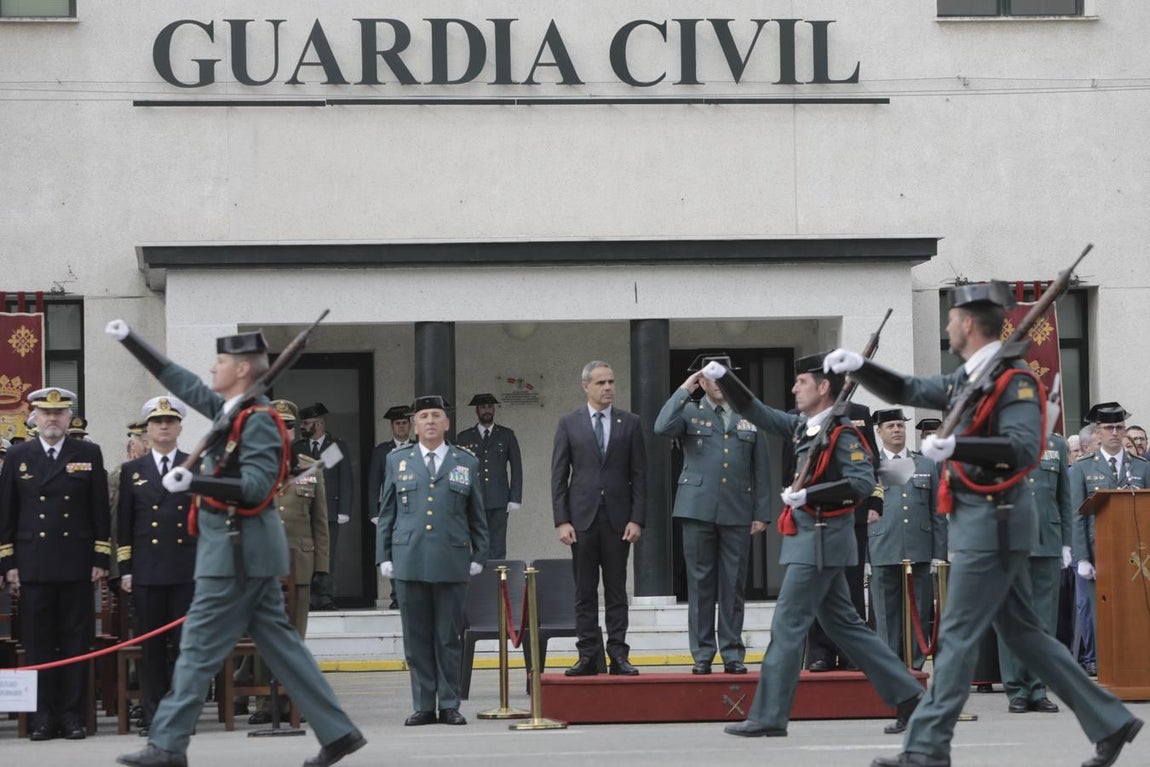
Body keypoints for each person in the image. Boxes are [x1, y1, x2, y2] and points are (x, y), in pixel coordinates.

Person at [825, 280, 1142, 767]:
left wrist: (959, 446)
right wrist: (861, 367)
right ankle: (1111, 721)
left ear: (968, 323)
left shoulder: (1015, 381)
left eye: (952, 319)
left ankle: (927, 747)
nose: (948, 326)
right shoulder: (968, 377)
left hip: (995, 522)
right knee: (1025, 634)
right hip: (980, 521)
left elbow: (1022, 447)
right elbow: (910, 388)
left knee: (955, 636)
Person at [107, 319, 366, 767]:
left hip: (236, 553)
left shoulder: (259, 421)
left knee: (196, 648)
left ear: (243, 369)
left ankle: (167, 745)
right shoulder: (234, 411)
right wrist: (131, 339)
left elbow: (257, 487)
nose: (212, 368)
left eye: (221, 361)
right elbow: (183, 383)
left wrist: (194, 481)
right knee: (283, 648)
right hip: (241, 551)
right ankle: (339, 732)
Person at [704, 354, 924, 739]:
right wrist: (725, 377)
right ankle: (910, 697)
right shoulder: (805, 427)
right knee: (847, 627)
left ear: (823, 387)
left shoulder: (843, 433)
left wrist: (810, 494)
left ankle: (770, 715)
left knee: (787, 626)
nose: (794, 388)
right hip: (811, 542)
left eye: (801, 382)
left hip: (822, 542)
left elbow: (861, 482)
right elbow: (755, 411)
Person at [0, 387, 110, 741]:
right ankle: (43, 718)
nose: (52, 418)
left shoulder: (88, 453)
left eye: (59, 412)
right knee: (38, 644)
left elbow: (99, 510)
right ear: (33, 417)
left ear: (68, 417)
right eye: (45, 413)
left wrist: (100, 556)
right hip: (33, 564)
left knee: (76, 642)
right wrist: (8, 562)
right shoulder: (18, 455)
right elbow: (6, 514)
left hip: (76, 562)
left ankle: (73, 716)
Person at [653, 354, 770, 675]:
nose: (718, 384)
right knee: (700, 583)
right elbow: (661, 427)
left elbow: (761, 467)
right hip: (697, 508)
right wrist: (684, 389)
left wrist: (762, 512)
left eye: (723, 377)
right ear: (701, 381)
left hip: (738, 509)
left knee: (733, 584)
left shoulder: (749, 413)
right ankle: (702, 653)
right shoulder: (689, 411)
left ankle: (732, 652)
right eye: (711, 377)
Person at [375, 395, 488, 726]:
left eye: (436, 416)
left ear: (446, 423)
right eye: (423, 416)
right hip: (409, 558)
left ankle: (449, 703)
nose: (430, 422)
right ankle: (424, 704)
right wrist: (384, 556)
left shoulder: (464, 462)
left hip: (451, 559)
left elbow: (477, 514)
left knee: (448, 637)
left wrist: (479, 554)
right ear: (415, 425)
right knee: (416, 638)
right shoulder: (398, 460)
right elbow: (387, 513)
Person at [551, 360, 647, 677]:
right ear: (585, 386)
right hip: (582, 520)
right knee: (585, 591)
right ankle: (588, 655)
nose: (607, 387)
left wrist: (637, 518)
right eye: (600, 383)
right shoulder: (569, 423)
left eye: (611, 381)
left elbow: (639, 475)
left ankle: (618, 654)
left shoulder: (630, 423)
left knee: (617, 590)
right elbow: (558, 476)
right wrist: (562, 520)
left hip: (619, 520)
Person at [244, 399, 332, 725]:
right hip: (262, 566)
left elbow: (320, 524)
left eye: (289, 425)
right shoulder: (251, 467)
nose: (284, 430)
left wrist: (322, 568)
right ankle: (265, 704)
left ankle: (294, 702)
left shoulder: (310, 467)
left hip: (300, 567)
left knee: (295, 640)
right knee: (263, 639)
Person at [116, 396, 196, 737]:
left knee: (184, 648)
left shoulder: (195, 465)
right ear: (147, 430)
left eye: (170, 421)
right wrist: (126, 568)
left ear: (179, 427)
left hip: (185, 570)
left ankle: (181, 716)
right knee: (151, 649)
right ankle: (153, 715)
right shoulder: (132, 471)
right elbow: (125, 524)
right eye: (157, 421)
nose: (163, 426)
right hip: (147, 571)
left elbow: (205, 521)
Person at [1071, 402, 1150, 679]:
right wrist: (1082, 557)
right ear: (1098, 432)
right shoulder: (1083, 468)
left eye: (1119, 427)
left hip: (1135, 556)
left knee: (1134, 614)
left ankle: (1135, 671)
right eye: (1109, 428)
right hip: (1098, 554)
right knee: (1101, 616)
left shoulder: (1140, 466)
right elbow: (1076, 515)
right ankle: (1108, 672)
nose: (1115, 433)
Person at [995, 431, 1072, 714]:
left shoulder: (1056, 444)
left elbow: (1064, 497)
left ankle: (1039, 688)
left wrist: (1066, 543)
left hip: (1047, 539)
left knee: (1044, 620)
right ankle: (1016, 689)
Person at [868, 408, 946, 670]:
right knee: (885, 615)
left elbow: (937, 512)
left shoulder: (925, 464)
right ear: (879, 432)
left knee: (918, 612)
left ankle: (915, 667)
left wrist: (939, 554)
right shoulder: (870, 465)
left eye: (900, 425)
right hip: (882, 547)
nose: (897, 430)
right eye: (890, 426)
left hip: (919, 548)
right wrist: (864, 556)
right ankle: (891, 668)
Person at [297, 402, 354, 611]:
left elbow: (345, 478)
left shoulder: (335, 446)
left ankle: (325, 596)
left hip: (329, 510)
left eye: (307, 423)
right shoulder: (298, 447)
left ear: (319, 424)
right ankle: (309, 597)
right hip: (304, 511)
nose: (302, 427)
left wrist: (344, 510)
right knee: (306, 555)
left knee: (327, 555)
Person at [454, 393, 523, 559]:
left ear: (494, 410)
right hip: (473, 499)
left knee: (498, 546)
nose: (487, 410)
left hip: (499, 499)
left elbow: (517, 468)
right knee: (477, 544)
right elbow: (459, 470)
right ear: (476, 411)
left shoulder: (507, 435)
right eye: (483, 407)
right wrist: (459, 497)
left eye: (490, 407)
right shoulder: (464, 437)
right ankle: (479, 575)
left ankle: (497, 576)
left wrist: (515, 498)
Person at [367, 405, 415, 609]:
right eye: (398, 423)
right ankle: (397, 595)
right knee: (394, 552)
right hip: (390, 509)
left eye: (404, 423)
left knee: (413, 550)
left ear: (410, 425)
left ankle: (412, 593)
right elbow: (374, 482)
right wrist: (374, 512)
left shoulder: (418, 447)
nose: (401, 427)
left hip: (414, 508)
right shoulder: (382, 451)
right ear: (392, 426)